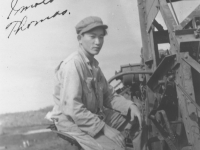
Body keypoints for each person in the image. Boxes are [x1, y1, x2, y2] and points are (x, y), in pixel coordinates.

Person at [46, 16, 142, 150]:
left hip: (92, 116)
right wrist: (105, 129)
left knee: (138, 123)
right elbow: (73, 108)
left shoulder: (94, 66)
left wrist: (130, 106)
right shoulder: (73, 65)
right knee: (115, 147)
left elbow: (109, 96)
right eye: (92, 36)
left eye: (101, 37)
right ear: (80, 39)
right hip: (71, 122)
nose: (98, 42)